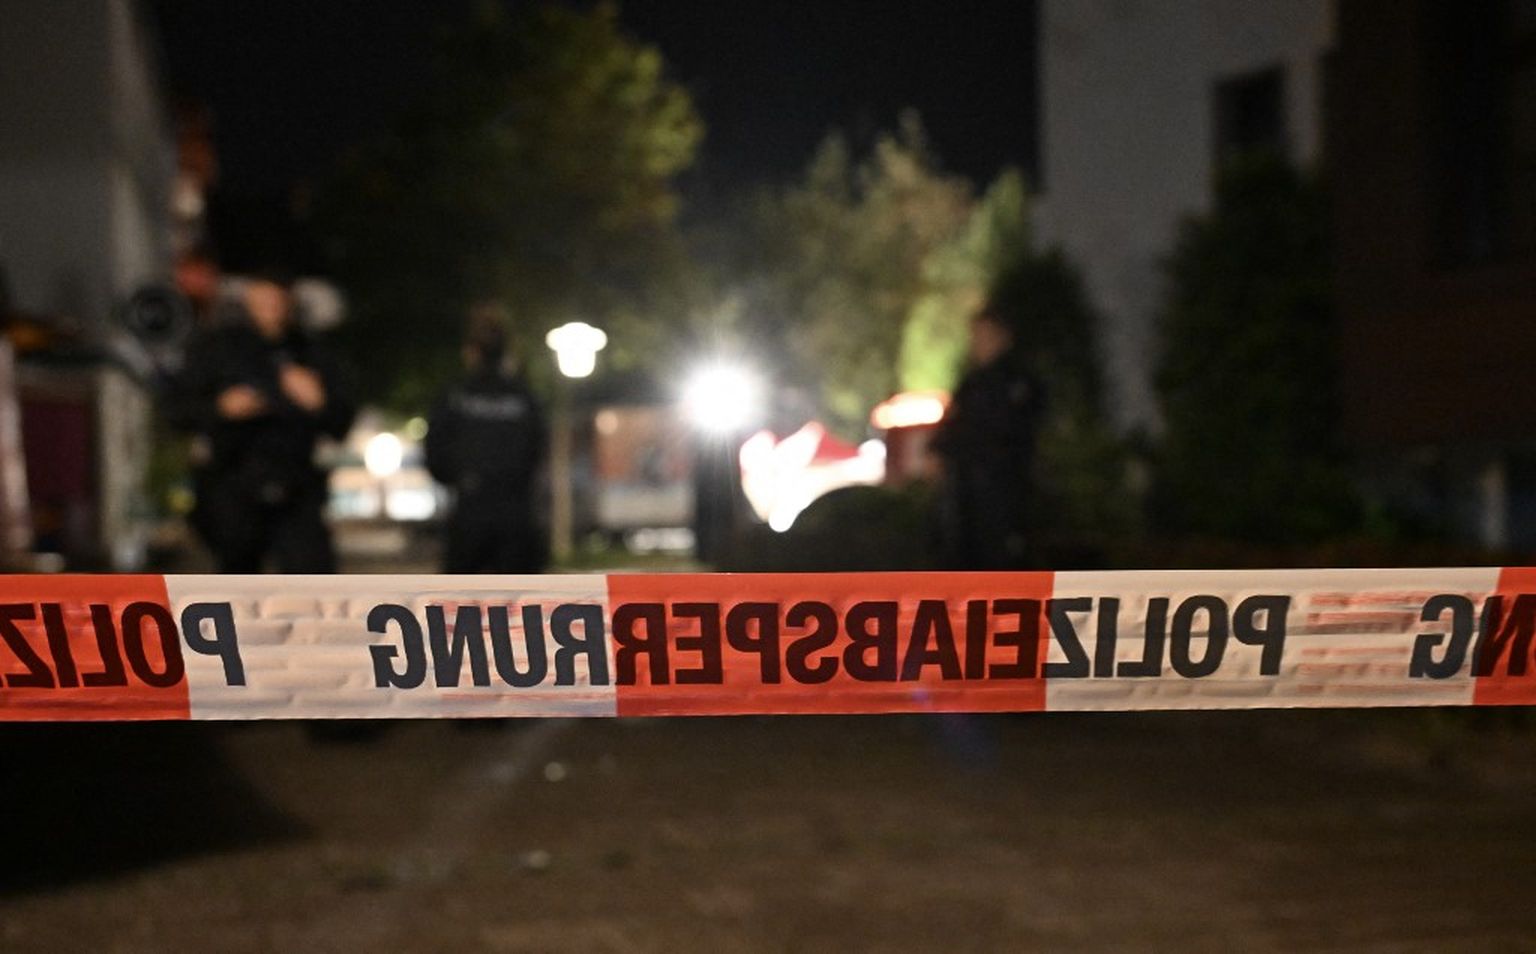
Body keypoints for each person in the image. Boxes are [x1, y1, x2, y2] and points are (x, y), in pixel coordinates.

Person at [169, 269, 355, 572]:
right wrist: (221, 408)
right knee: (237, 579)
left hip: (295, 483)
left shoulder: (309, 351)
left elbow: (341, 423)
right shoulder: (217, 348)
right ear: (247, 299)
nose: (271, 306)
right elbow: (177, 411)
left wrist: (319, 402)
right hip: (233, 481)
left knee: (312, 577)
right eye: (262, 297)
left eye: (277, 298)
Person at [425, 304, 548, 574]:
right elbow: (538, 451)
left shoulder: (454, 396)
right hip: (516, 515)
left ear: (470, 351)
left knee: (460, 596)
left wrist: (462, 477)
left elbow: (435, 453)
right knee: (520, 596)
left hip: (470, 511)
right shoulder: (525, 397)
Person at [931, 304, 1044, 569]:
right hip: (965, 493)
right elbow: (952, 425)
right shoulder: (971, 383)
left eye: (985, 336)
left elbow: (1004, 432)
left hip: (1002, 493)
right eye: (975, 336)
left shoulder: (1017, 382)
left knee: (1002, 563)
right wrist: (938, 451)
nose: (977, 344)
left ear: (1003, 337)